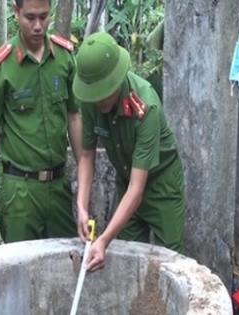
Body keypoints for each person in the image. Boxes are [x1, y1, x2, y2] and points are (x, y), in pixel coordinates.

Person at [0, 0, 83, 243]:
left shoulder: (64, 57)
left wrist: (84, 183)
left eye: (43, 17)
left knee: (66, 264)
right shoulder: (2, 65)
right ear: (16, 11)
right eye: (30, 17)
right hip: (20, 191)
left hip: (58, 187)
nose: (38, 26)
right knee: (20, 271)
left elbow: (74, 116)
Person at [72, 32, 186, 272]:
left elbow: (138, 189)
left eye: (103, 92)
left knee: (171, 262)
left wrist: (103, 240)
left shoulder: (146, 107)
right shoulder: (92, 102)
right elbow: (86, 156)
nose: (98, 101)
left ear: (116, 79)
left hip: (161, 184)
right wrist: (81, 206)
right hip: (127, 182)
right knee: (131, 259)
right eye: (94, 95)